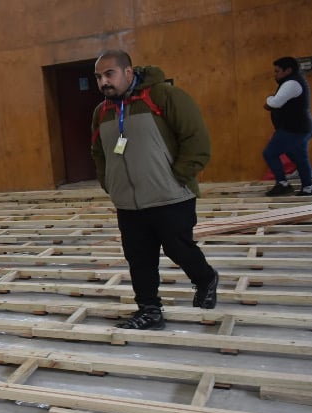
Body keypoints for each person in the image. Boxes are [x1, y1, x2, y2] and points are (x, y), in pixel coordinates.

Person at [90, 50, 218, 330]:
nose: (103, 82)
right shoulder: (102, 112)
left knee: (179, 249)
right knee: (139, 258)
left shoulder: (164, 97)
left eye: (109, 74)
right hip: (128, 203)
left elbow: (196, 139)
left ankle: (205, 278)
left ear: (128, 72)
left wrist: (178, 177)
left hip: (170, 196)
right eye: (99, 77)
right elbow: (98, 152)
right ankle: (149, 309)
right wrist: (110, 184)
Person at [262, 56, 312, 196]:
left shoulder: (292, 83)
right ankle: (307, 188)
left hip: (293, 129)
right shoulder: (295, 81)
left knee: (270, 153)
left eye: (277, 71)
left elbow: (275, 102)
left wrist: (268, 99)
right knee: (299, 157)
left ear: (288, 70)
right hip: (301, 128)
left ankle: (283, 184)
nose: (275, 74)